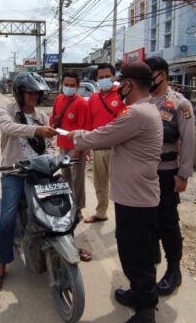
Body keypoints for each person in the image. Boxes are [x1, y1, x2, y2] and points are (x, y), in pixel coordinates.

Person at [67, 63, 163, 323]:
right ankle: (137, 293)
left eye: (122, 82)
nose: (119, 87)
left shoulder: (137, 113)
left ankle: (145, 311)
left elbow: (103, 136)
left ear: (130, 84)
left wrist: (75, 137)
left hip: (137, 199)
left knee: (137, 254)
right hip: (135, 195)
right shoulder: (144, 110)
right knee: (134, 249)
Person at [0, 72, 58, 291]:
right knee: (7, 219)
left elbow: (50, 144)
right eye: (29, 92)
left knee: (62, 208)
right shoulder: (6, 111)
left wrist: (54, 158)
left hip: (39, 172)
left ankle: (68, 244)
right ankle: (1, 264)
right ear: (19, 93)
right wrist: (36, 129)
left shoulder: (42, 116)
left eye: (37, 93)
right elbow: (10, 129)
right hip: (14, 172)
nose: (34, 96)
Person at [145, 57, 195, 296]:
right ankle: (151, 257)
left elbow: (188, 141)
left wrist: (183, 174)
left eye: (150, 74)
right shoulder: (144, 101)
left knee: (167, 221)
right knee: (148, 218)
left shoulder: (179, 104)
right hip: (144, 173)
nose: (147, 79)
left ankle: (174, 269)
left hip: (166, 172)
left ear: (162, 75)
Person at [50, 70, 93, 261]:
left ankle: (79, 207)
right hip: (62, 145)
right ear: (62, 83)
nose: (68, 87)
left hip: (76, 148)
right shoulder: (59, 99)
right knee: (65, 178)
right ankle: (69, 203)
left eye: (72, 84)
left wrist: (79, 148)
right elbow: (53, 118)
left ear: (77, 85)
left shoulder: (81, 103)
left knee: (78, 180)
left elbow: (84, 127)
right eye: (66, 83)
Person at [85, 63, 126, 223]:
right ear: (96, 79)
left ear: (113, 76)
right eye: (100, 77)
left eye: (107, 76)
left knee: (120, 185)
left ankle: (123, 219)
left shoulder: (122, 95)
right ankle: (101, 213)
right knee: (100, 183)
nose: (104, 80)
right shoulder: (94, 98)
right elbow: (89, 123)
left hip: (119, 149)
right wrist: (87, 146)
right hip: (98, 147)